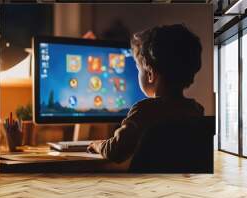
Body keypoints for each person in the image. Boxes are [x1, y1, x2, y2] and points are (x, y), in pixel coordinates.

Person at [87, 24, 205, 165]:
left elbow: (116, 151)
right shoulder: (196, 110)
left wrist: (97, 145)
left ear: (150, 74)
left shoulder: (144, 111)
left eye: (138, 69)